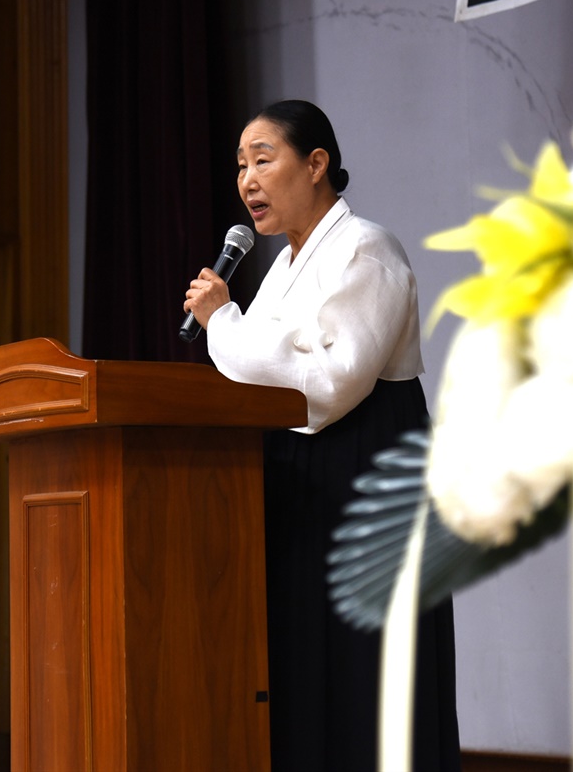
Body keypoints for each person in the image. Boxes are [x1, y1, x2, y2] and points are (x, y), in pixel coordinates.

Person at [183, 99, 461, 771]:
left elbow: (328, 384)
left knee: (372, 673)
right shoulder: (280, 267)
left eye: (262, 158)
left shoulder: (369, 245)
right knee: (304, 668)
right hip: (297, 477)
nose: (246, 178)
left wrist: (223, 322)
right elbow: (262, 372)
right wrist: (232, 329)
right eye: (240, 165)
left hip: (366, 471)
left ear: (317, 164)